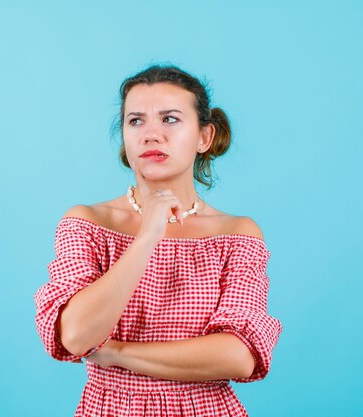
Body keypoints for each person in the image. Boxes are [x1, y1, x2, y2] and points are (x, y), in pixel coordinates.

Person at [33, 63, 283, 417]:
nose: (151, 134)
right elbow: (74, 336)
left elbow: (239, 356)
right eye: (136, 121)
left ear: (204, 137)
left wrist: (116, 353)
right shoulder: (86, 223)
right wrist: (149, 232)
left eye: (170, 119)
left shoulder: (238, 234)